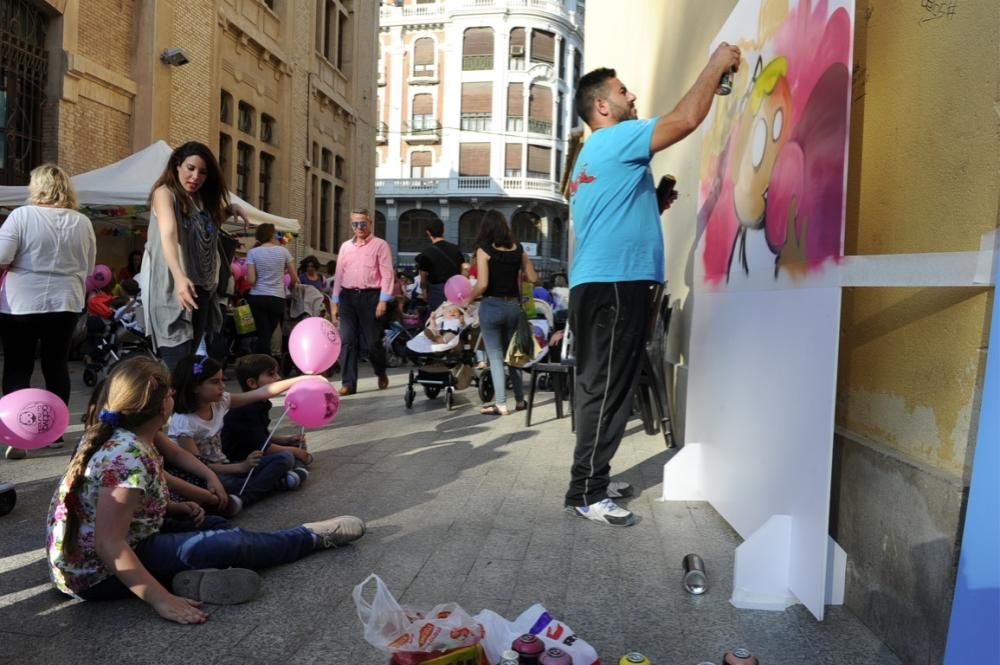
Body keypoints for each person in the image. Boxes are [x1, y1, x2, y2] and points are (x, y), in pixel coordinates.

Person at [45, 355, 365, 623]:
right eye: (169, 392)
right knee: (231, 542)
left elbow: (148, 483)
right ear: (158, 407)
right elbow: (109, 544)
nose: (174, 396)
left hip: (129, 540)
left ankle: (193, 573)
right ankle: (308, 536)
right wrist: (161, 601)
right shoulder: (125, 459)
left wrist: (176, 506)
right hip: (94, 576)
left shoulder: (132, 429)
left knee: (211, 525)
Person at [564, 47, 741, 527]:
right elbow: (684, 119)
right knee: (608, 388)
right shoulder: (618, 137)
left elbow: (609, 216)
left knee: (601, 384)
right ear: (602, 106)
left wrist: (653, 203)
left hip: (602, 284)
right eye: (623, 91)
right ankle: (587, 491)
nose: (632, 95)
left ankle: (591, 477)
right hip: (616, 285)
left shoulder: (591, 155)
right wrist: (716, 62)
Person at [0, 163, 96, 459]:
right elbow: (90, 266)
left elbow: (2, 256)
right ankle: (53, 433)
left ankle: (18, 430)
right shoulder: (82, 222)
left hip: (22, 301)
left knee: (18, 365)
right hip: (65, 301)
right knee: (56, 365)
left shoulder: (22, 215)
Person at [140, 142, 248, 373]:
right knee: (175, 359)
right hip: (173, 288)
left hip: (202, 288)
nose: (195, 176)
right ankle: (165, 407)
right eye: (190, 168)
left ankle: (180, 408)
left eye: (203, 172)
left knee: (188, 361)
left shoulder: (200, 201)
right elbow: (169, 233)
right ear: (177, 164)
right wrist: (179, 277)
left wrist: (230, 210)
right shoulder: (164, 193)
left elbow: (202, 228)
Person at [168, 355, 314, 507]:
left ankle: (259, 487)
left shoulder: (220, 402)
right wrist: (241, 467)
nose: (222, 386)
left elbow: (263, 392)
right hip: (204, 476)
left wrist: (303, 379)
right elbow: (198, 467)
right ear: (195, 386)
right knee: (227, 484)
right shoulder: (184, 423)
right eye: (215, 382)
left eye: (222, 380)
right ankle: (256, 492)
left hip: (227, 464)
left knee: (285, 458)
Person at [464, 210, 538, 416]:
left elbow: (483, 284)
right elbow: (532, 277)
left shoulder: (483, 250)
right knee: (512, 354)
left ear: (485, 228)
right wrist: (524, 266)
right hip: (513, 307)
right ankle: (521, 401)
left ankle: (501, 403)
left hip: (491, 306)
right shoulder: (519, 249)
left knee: (495, 357)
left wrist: (467, 299)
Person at [331, 208, 394, 396]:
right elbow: (339, 274)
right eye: (355, 223)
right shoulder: (345, 247)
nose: (359, 227)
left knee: (373, 342)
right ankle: (348, 383)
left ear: (370, 223)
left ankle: (380, 371)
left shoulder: (380, 245)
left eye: (363, 223)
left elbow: (387, 274)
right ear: (351, 225)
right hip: (348, 296)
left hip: (371, 297)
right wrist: (334, 301)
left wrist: (383, 301)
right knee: (347, 340)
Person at [221, 354, 314, 467]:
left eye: (277, 372)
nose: (278, 377)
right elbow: (263, 447)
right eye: (271, 374)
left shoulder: (261, 404)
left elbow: (261, 437)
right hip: (239, 461)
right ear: (252, 383)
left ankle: (289, 472)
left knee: (295, 449)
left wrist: (286, 441)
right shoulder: (247, 409)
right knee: (286, 457)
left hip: (254, 451)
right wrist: (296, 452)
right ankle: (281, 480)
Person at [245, 223, 296, 356]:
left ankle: (261, 365)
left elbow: (251, 280)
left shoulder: (252, 253)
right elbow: (294, 277)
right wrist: (290, 287)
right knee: (268, 333)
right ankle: (265, 364)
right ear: (272, 235)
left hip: (258, 296)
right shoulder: (283, 252)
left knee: (263, 335)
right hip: (277, 298)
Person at [415, 218, 465, 311]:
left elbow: (423, 277)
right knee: (453, 317)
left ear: (428, 233)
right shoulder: (455, 248)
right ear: (443, 230)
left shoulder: (426, 252)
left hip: (436, 291)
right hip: (455, 290)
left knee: (437, 318)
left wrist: (424, 292)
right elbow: (462, 271)